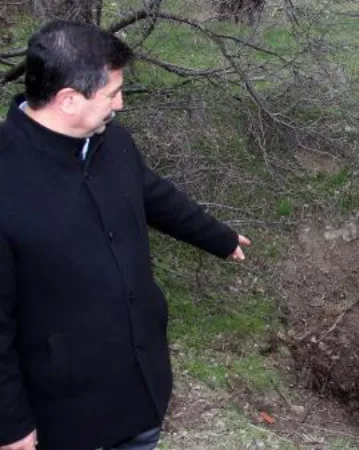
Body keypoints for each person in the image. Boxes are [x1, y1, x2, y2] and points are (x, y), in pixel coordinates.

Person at [0, 20, 251, 450]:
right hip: (65, 414)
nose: (120, 104)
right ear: (68, 100)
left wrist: (220, 238)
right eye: (112, 93)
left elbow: (154, 195)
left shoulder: (113, 143)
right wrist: (10, 423)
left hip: (139, 390)